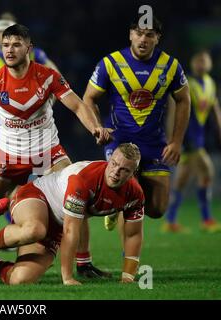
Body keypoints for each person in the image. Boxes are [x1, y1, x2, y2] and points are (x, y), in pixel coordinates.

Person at [0, 24, 113, 278]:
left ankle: (84, 264)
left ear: (29, 48)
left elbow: (79, 106)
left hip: (48, 154)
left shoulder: (48, 76)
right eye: (6, 45)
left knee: (75, 195)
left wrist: (95, 128)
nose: (10, 50)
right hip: (9, 159)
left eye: (16, 44)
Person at [0, 143, 144, 285]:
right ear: (109, 159)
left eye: (124, 170)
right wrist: (67, 278)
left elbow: (133, 235)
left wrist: (128, 277)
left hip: (58, 223)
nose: (116, 172)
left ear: (133, 174)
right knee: (34, 229)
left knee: (20, 279)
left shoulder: (135, 195)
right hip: (36, 197)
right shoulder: (83, 179)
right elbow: (71, 231)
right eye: (114, 164)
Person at [82, 16, 190, 232]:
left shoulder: (170, 66)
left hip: (153, 142)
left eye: (149, 35)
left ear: (157, 38)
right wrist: (97, 127)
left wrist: (176, 141)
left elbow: (184, 100)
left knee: (157, 209)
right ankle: (129, 262)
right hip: (120, 140)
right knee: (130, 197)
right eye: (139, 33)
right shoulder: (110, 63)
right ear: (131, 34)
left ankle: (114, 204)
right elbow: (88, 98)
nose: (143, 39)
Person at [0, 12, 60, 226]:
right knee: (3, 187)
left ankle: (28, 221)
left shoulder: (37, 55)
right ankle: (16, 222)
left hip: (35, 133)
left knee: (47, 183)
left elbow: (56, 75)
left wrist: (49, 100)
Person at [164, 50, 221, 233]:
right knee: (207, 171)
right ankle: (207, 219)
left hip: (199, 137)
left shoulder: (211, 84)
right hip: (187, 137)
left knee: (181, 179)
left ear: (210, 64)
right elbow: (174, 109)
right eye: (198, 60)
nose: (201, 64)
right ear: (192, 63)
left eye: (204, 60)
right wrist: (173, 137)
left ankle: (170, 221)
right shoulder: (186, 83)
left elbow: (214, 108)